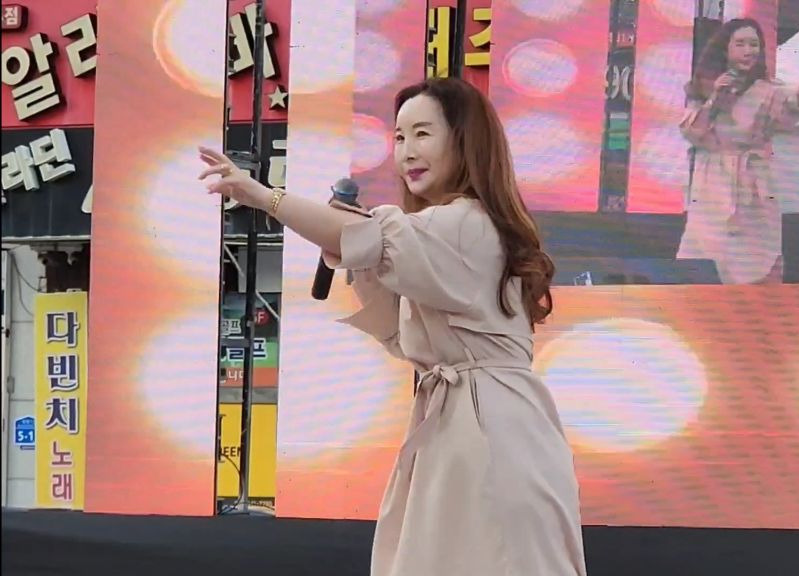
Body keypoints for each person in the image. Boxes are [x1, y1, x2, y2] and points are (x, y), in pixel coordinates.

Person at [197, 77, 587, 576]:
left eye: (423, 133)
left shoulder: (465, 223)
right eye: (400, 137)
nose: (407, 151)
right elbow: (396, 314)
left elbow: (374, 238)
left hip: (489, 427)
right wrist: (348, 243)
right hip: (466, 423)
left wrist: (263, 196)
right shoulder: (445, 231)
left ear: (465, 141)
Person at [676, 18, 799, 284]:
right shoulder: (703, 86)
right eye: (741, 44)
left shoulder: (768, 89)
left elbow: (794, 104)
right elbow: (692, 132)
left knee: (757, 254)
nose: (748, 51)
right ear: (725, 48)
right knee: (708, 248)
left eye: (754, 44)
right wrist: (715, 99)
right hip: (713, 182)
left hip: (753, 182)